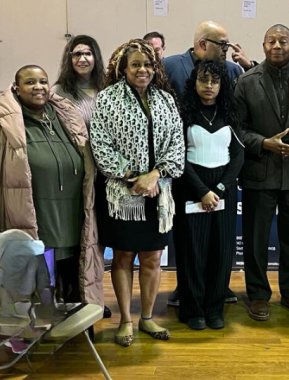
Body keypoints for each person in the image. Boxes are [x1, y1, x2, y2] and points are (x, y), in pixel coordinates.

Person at [0, 65, 105, 336]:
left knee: (71, 277)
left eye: (43, 81)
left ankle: (70, 332)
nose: (38, 87)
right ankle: (33, 341)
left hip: (70, 222)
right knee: (36, 289)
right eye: (30, 82)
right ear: (16, 87)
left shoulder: (67, 118)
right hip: (27, 224)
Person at [90, 39, 185, 346]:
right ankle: (125, 321)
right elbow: (101, 147)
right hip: (122, 195)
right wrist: (133, 176)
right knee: (122, 257)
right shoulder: (107, 99)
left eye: (148, 64)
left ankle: (146, 318)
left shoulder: (166, 100)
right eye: (135, 65)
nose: (142, 70)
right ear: (123, 68)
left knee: (153, 259)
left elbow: (177, 146)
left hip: (158, 192)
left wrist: (154, 175)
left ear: (155, 68)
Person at [234, 24, 289, 321]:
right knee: (256, 240)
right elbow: (237, 130)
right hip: (259, 172)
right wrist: (263, 143)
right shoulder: (246, 82)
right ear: (263, 46)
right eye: (271, 41)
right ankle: (258, 295)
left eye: (283, 41)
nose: (277, 46)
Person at [163, 20, 252, 306]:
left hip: (221, 169)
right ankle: (188, 291)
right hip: (186, 172)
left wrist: (249, 66)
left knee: (220, 241)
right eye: (222, 44)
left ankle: (216, 290)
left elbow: (243, 108)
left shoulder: (233, 70)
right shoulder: (171, 66)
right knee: (190, 241)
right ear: (203, 44)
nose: (227, 49)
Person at [174, 60, 244, 330]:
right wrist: (202, 191)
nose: (209, 86)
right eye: (204, 80)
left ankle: (215, 309)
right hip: (191, 187)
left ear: (221, 85)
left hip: (224, 189)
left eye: (214, 81)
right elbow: (178, 155)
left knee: (221, 250)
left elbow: (238, 156)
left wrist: (220, 189)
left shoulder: (230, 112)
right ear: (195, 82)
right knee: (193, 250)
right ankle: (193, 310)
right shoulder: (184, 113)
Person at [52, 34, 112, 319]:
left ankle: (94, 297)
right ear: (69, 59)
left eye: (88, 53)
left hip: (107, 176)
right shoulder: (59, 92)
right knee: (76, 241)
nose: (82, 59)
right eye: (76, 54)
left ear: (96, 57)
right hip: (76, 176)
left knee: (98, 241)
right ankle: (72, 299)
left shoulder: (108, 89)